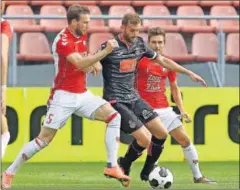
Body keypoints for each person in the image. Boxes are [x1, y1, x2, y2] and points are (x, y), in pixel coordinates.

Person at [1, 5, 130, 189]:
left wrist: (92, 62)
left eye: (88, 22)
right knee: (42, 140)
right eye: (84, 22)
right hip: (63, 96)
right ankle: (9, 172)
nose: (88, 26)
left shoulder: (80, 35)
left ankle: (112, 166)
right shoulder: (62, 40)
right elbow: (78, 62)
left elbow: (83, 58)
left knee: (114, 116)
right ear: (73, 22)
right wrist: (103, 53)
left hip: (82, 94)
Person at [99, 13, 207, 181]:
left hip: (134, 99)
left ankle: (144, 170)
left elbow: (164, 61)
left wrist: (189, 72)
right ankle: (124, 165)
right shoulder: (110, 46)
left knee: (161, 133)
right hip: (116, 99)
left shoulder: (140, 45)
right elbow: (92, 59)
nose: (134, 34)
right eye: (131, 30)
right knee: (145, 138)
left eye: (137, 30)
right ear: (122, 28)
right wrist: (92, 65)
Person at [136, 27, 216, 184]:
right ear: (148, 42)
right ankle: (142, 170)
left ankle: (198, 176)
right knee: (150, 143)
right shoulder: (139, 61)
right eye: (154, 42)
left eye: (160, 42)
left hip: (164, 109)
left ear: (164, 43)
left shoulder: (168, 63)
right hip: (145, 110)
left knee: (185, 140)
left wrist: (182, 110)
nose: (157, 46)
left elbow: (174, 88)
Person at [1, 1, 13, 159]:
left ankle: (4, 135)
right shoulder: (4, 25)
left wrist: (2, 89)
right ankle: (4, 135)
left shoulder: (3, 26)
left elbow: (2, 57)